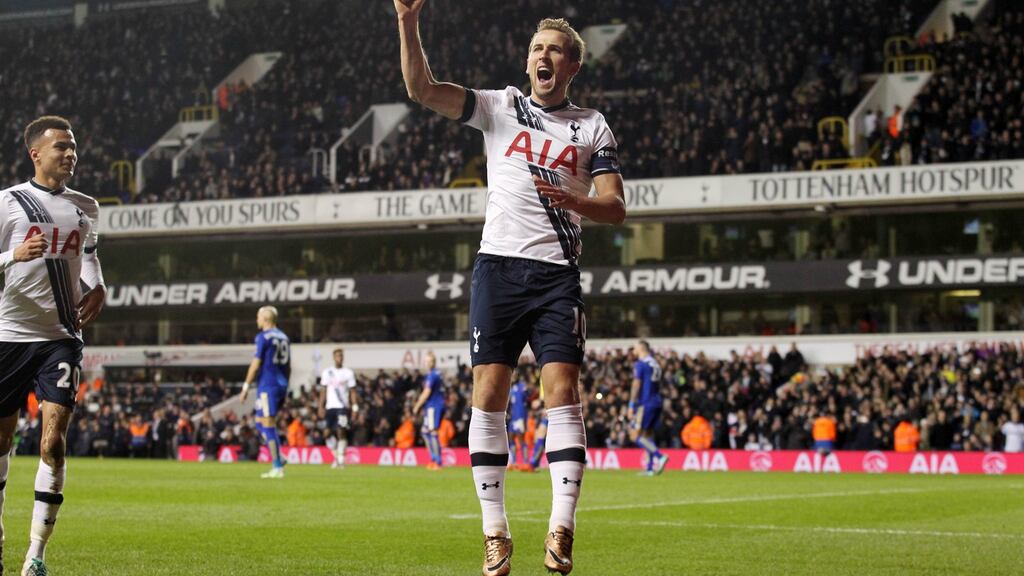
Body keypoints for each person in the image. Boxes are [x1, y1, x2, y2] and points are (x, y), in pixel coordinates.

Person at [395, 2, 625, 573]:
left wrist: (579, 202)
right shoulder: (500, 107)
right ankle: (495, 532)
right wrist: (406, 21)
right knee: (488, 396)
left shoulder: (592, 125)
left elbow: (616, 207)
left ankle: (561, 527)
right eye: (536, 48)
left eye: (554, 50)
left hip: (555, 275)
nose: (542, 56)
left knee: (561, 391)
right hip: (497, 269)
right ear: (528, 63)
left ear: (572, 65)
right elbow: (422, 89)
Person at [0, 115, 106, 576]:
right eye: (61, 146)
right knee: (1, 442)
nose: (70, 153)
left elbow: (91, 254)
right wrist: (12, 256)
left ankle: (36, 555)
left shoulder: (87, 205)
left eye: (74, 146)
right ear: (35, 153)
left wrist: (98, 285)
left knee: (53, 443)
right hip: (8, 335)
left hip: (61, 337)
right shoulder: (8, 204)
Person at [240, 306, 290, 479]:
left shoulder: (263, 337)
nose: (257, 320)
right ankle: (279, 456)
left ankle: (277, 467)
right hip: (280, 385)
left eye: (258, 317)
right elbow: (288, 366)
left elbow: (255, 364)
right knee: (259, 421)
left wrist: (246, 386)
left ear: (266, 319)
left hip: (268, 385)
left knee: (268, 424)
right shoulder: (284, 337)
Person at [629, 341, 669, 475]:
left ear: (641, 348)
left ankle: (659, 456)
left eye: (634, 347)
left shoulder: (641, 364)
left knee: (635, 435)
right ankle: (650, 468)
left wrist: (631, 405)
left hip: (645, 403)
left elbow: (636, 384)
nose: (633, 349)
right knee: (647, 435)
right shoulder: (655, 363)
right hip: (657, 402)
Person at [320, 348, 358, 468]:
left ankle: (341, 458)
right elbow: (323, 390)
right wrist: (321, 406)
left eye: (341, 356)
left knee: (341, 431)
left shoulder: (348, 373)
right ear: (333, 357)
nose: (339, 358)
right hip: (330, 407)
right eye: (337, 356)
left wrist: (355, 408)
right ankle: (336, 456)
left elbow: (353, 391)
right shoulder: (327, 372)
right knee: (326, 433)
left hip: (342, 406)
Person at [412, 352, 446, 470]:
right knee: (425, 431)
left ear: (434, 362)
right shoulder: (436, 374)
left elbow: (427, 392)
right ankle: (433, 459)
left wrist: (417, 406)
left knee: (432, 432)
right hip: (432, 405)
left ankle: (437, 461)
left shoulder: (432, 375)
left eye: (429, 361)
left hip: (433, 406)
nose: (427, 363)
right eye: (426, 361)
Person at [507, 371, 529, 470]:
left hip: (520, 416)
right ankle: (514, 461)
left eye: (514, 375)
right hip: (513, 417)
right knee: (511, 437)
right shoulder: (510, 388)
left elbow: (527, 399)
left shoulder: (522, 386)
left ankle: (525, 462)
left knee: (521, 439)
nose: (513, 377)